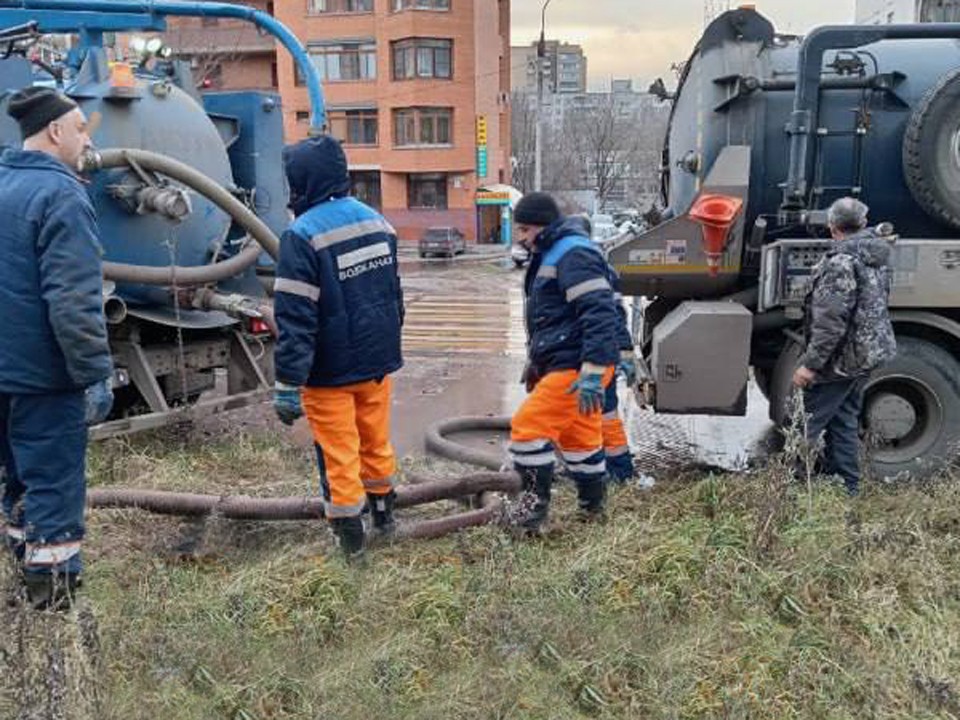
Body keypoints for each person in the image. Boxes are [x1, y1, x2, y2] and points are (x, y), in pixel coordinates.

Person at [0, 87, 113, 609]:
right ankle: (55, 609)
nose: (86, 139)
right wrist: (93, 374)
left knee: (16, 482)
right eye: (81, 128)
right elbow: (73, 302)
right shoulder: (63, 195)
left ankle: (21, 584)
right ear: (55, 131)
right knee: (52, 488)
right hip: (45, 379)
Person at [272, 135, 404, 560]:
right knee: (376, 441)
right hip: (378, 362)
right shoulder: (377, 222)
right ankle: (384, 518)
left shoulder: (302, 234)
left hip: (329, 372)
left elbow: (295, 318)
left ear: (301, 181)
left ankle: (351, 546)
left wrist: (289, 381)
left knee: (339, 455)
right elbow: (394, 298)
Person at [510, 193, 623, 533]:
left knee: (527, 431)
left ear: (543, 225)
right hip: (574, 364)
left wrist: (593, 366)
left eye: (525, 229)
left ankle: (531, 516)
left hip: (576, 368)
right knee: (580, 441)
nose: (521, 237)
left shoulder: (572, 253)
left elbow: (600, 311)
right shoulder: (557, 251)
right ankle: (593, 509)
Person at [792, 197, 896, 495]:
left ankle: (789, 488)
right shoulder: (874, 256)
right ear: (863, 224)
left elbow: (830, 324)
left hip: (842, 361)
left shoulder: (840, 263)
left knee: (806, 422)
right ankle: (848, 488)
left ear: (832, 228)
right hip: (867, 355)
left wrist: (810, 366)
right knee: (844, 420)